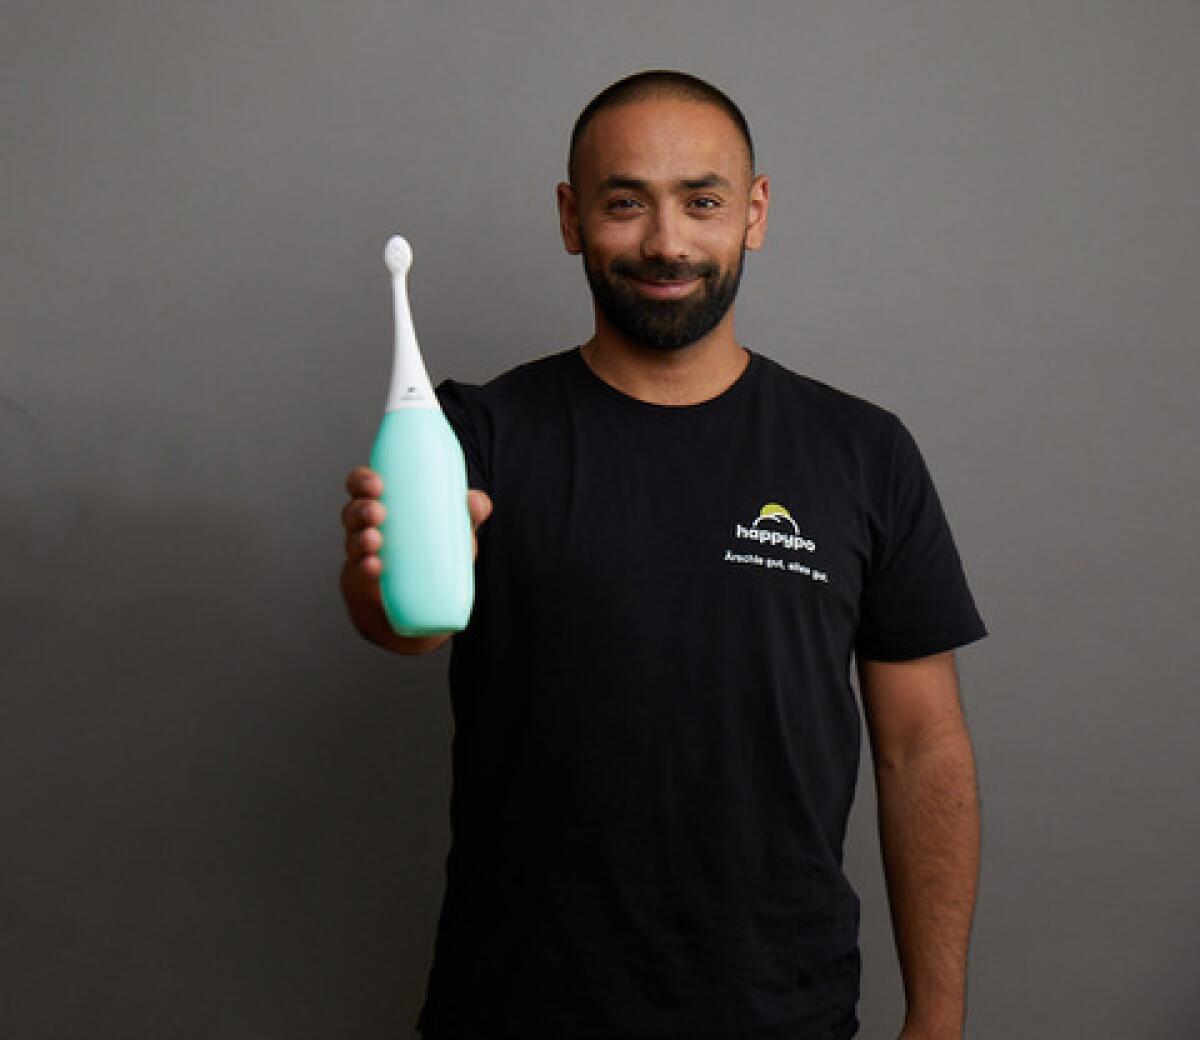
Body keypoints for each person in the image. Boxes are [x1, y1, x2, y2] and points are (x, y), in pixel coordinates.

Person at [339, 70, 986, 1040]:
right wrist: (379, 575)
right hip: (517, 1010)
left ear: (754, 213)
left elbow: (921, 746)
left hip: (785, 1014)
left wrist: (938, 1018)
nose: (666, 242)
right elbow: (405, 625)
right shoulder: (475, 433)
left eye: (703, 201)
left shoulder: (862, 452)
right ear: (571, 217)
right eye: (625, 202)